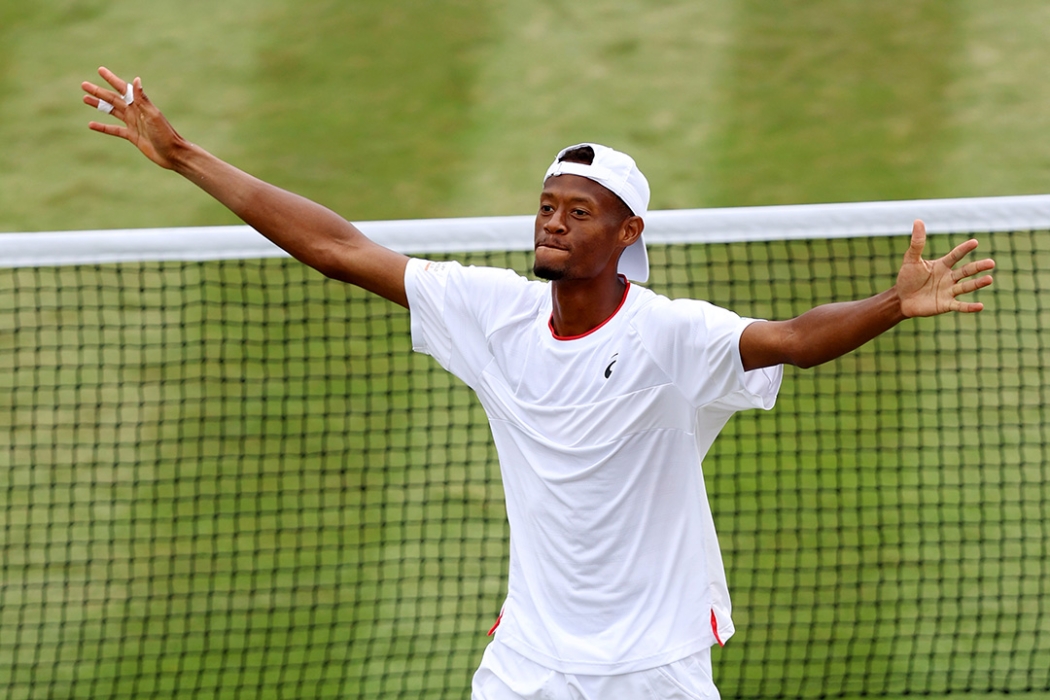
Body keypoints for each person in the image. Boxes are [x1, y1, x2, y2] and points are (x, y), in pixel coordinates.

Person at [82, 67, 995, 699]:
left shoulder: (673, 336)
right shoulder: (492, 312)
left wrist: (892, 303)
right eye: (548, 205)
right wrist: (185, 155)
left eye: (579, 212)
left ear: (626, 231)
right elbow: (339, 248)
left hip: (655, 667)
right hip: (530, 664)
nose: (553, 222)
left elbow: (794, 340)